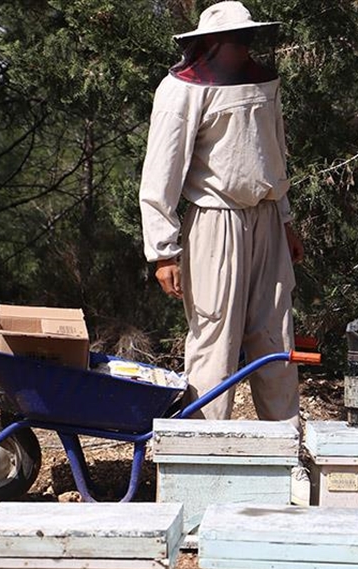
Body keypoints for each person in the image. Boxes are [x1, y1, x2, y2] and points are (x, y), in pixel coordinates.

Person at [139, 1, 302, 424]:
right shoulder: (181, 89)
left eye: (246, 38)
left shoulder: (265, 82)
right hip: (214, 221)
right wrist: (163, 251)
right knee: (214, 341)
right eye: (235, 39)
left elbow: (274, 155)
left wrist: (285, 218)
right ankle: (204, 458)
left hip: (266, 220)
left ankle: (284, 453)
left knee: (276, 339)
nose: (244, 48)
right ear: (211, 43)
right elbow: (162, 170)